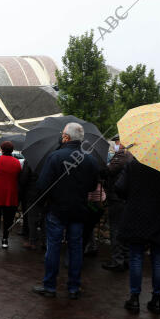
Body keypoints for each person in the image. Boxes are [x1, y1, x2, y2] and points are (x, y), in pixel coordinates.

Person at [32, 123, 99, 299]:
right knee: (75, 248)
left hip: (57, 209)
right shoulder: (90, 160)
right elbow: (93, 186)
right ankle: (73, 288)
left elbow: (42, 185)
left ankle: (50, 286)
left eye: (63, 134)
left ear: (66, 138)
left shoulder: (55, 157)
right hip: (79, 210)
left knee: (53, 247)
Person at [115, 157, 160, 314]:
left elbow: (120, 188)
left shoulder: (134, 164)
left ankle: (134, 298)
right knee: (159, 259)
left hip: (137, 217)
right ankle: (156, 300)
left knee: (136, 257)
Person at [102, 137, 133, 272]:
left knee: (116, 229)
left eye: (117, 142)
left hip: (117, 198)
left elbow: (108, 171)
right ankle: (125, 259)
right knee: (123, 230)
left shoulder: (122, 155)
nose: (115, 145)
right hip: (125, 199)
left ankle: (117, 260)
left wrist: (104, 166)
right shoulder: (132, 155)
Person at [19, 159, 43, 249]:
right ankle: (44, 241)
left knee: (32, 218)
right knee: (44, 217)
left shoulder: (30, 161)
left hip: (32, 193)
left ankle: (32, 241)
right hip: (45, 192)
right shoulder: (49, 159)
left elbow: (23, 179)